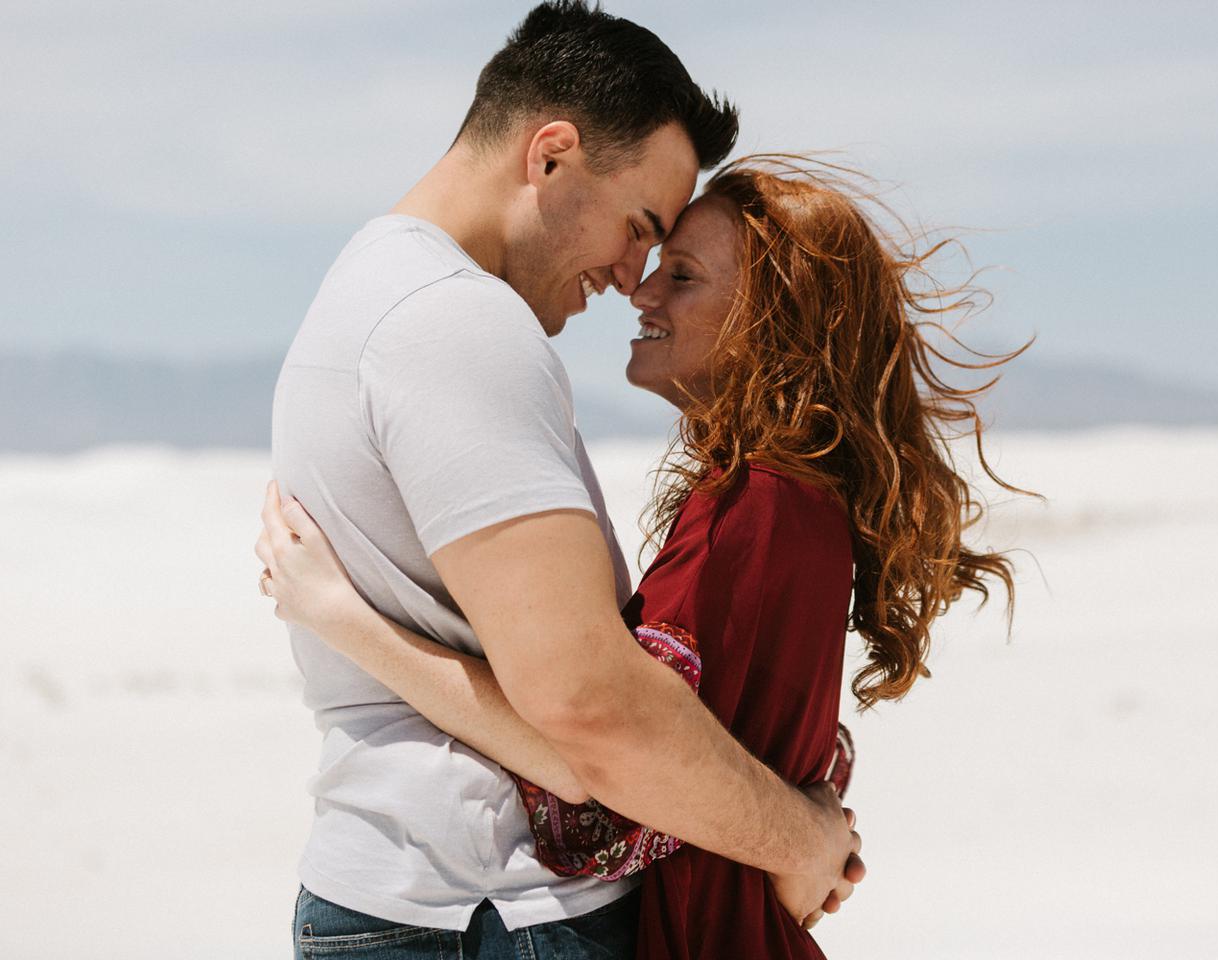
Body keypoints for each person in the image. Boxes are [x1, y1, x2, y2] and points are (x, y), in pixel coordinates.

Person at [258, 156, 1022, 958]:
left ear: (773, 320)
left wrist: (348, 623)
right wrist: (806, 833)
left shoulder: (754, 508)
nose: (642, 291)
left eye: (682, 276)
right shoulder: (794, 499)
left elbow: (601, 793)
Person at [259, 3, 863, 958]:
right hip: (495, 910)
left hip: (408, 897)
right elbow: (591, 714)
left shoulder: (367, 287)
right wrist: (804, 840)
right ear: (550, 157)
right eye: (638, 227)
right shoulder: (460, 325)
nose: (631, 277)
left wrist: (346, 622)